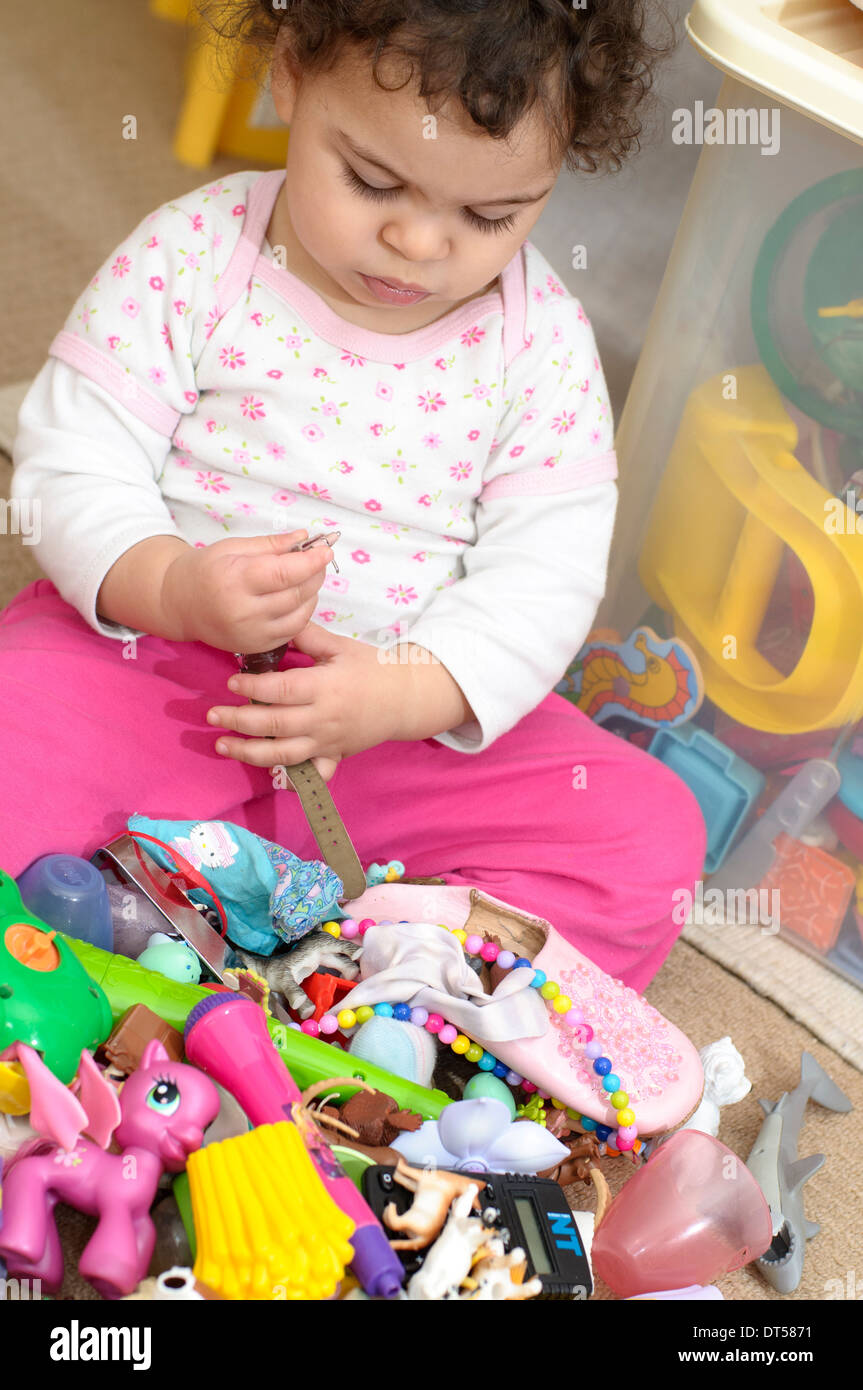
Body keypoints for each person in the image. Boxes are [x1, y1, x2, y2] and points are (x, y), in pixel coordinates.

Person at [5, 0, 704, 991]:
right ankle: (193, 902)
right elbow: (70, 465)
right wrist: (171, 584)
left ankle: (388, 967)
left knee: (646, 834)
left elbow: (543, 576)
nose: (419, 244)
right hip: (151, 682)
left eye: (487, 216)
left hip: (391, 744)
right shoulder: (193, 252)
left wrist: (401, 692)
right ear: (288, 71)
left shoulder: (540, 344)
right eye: (372, 180)